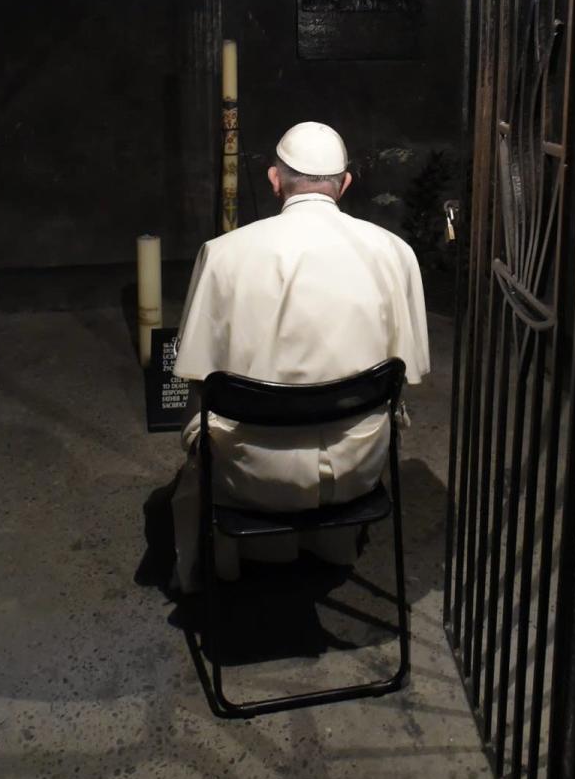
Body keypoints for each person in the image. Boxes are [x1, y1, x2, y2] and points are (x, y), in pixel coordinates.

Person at [169, 120, 430, 593]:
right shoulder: (396, 252)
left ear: (274, 180)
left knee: (203, 407)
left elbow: (196, 370)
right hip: (357, 470)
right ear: (345, 184)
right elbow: (408, 373)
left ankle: (233, 562)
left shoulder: (223, 254)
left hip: (252, 476)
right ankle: (330, 542)